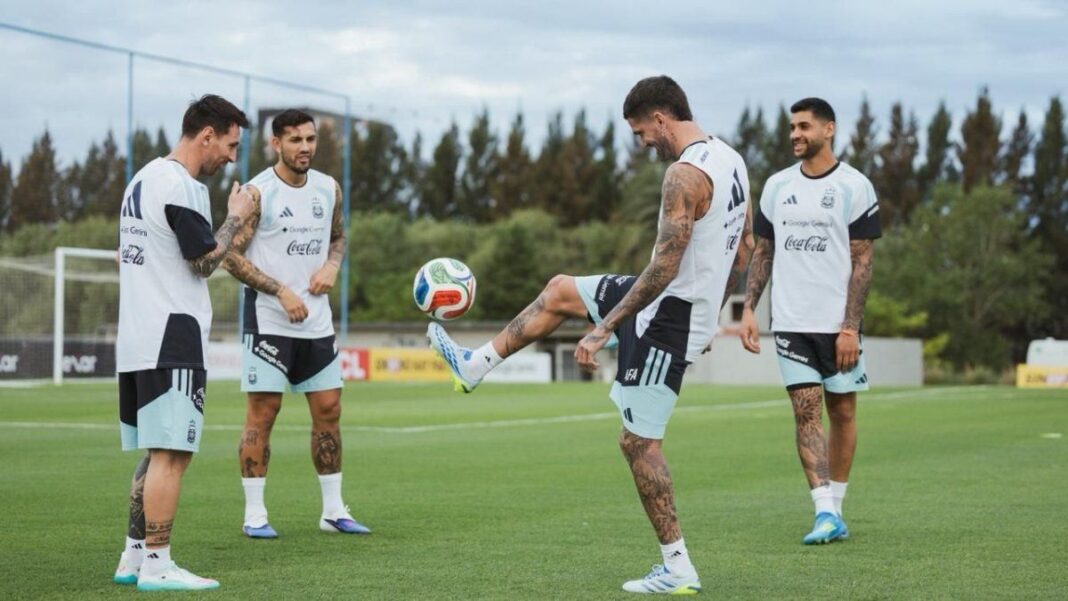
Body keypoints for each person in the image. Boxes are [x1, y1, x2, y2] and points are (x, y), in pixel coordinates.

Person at [428, 75, 753, 595]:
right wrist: (717, 307)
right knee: (559, 290)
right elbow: (745, 247)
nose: (642, 142)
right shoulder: (731, 159)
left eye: (641, 132)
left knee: (638, 443)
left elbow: (665, 270)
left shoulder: (683, 175)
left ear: (661, 118)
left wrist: (606, 326)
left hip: (667, 316)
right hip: (679, 305)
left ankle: (677, 567)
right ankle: (475, 366)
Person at [113, 94, 256, 591]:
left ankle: (133, 557)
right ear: (207, 135)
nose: (233, 157)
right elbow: (203, 262)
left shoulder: (143, 178)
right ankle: (157, 564)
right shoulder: (182, 185)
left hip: (137, 336)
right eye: (231, 145)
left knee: (157, 453)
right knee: (173, 454)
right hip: (171, 336)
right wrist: (237, 216)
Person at [739, 97, 880, 545]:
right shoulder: (778, 186)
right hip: (791, 322)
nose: (795, 134)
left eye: (804, 126)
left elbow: (863, 264)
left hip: (838, 325)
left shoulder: (856, 186)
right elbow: (763, 252)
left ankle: (836, 507)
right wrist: (748, 309)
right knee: (806, 413)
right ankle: (823, 511)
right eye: (792, 128)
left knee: (842, 410)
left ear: (829, 129)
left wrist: (850, 328)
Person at [222, 109, 369, 538]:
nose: (304, 147)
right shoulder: (258, 194)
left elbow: (339, 236)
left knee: (330, 411)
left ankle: (333, 511)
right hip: (269, 321)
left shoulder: (329, 188)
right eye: (295, 140)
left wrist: (332, 266)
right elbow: (228, 255)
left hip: (317, 323)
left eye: (310, 139)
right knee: (262, 415)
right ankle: (254, 515)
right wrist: (280, 291)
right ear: (276, 145)